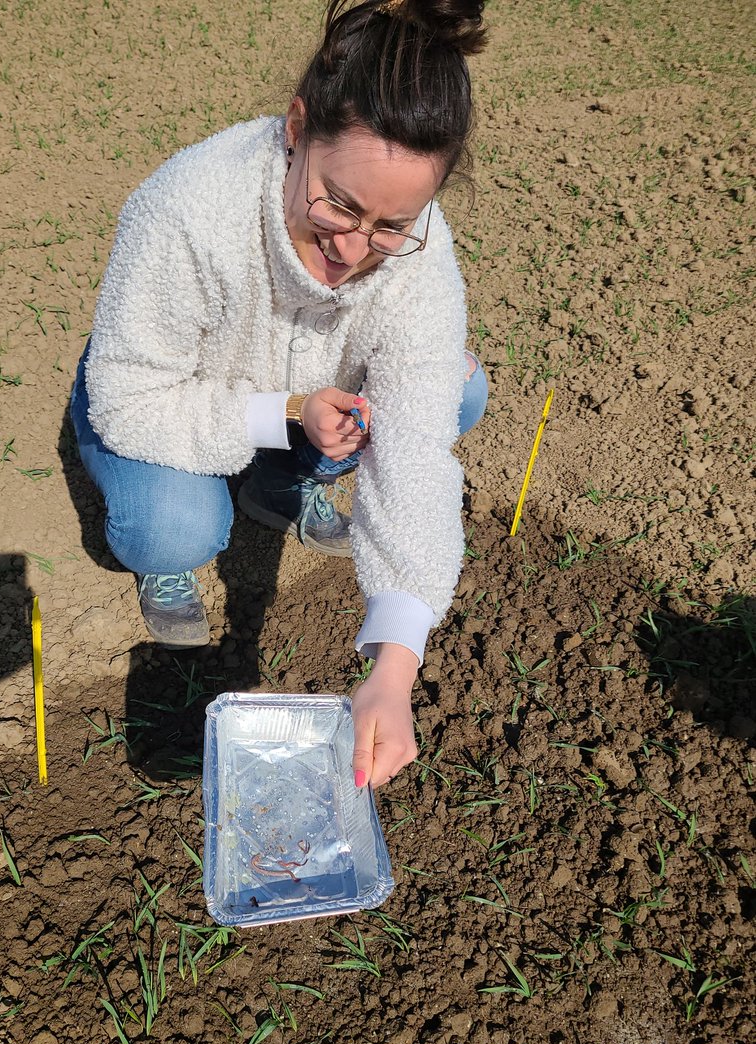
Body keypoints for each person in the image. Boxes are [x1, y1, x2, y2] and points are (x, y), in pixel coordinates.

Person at [71, 0, 489, 790]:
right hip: (162, 392)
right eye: (340, 204)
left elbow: (415, 459)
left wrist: (394, 666)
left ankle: (279, 485)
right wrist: (289, 412)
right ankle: (200, 517)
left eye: (392, 225)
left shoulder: (420, 256)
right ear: (297, 128)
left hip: (298, 396)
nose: (355, 249)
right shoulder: (189, 208)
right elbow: (130, 400)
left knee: (457, 392)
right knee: (177, 527)